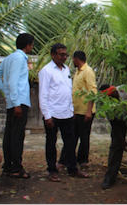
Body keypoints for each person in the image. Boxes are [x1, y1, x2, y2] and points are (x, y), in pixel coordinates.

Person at [38, 43, 90, 182]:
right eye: (61, 55)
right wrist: (47, 115)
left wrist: (71, 109)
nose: (64, 57)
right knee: (51, 143)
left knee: (70, 142)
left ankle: (72, 168)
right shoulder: (46, 71)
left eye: (66, 55)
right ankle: (52, 170)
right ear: (53, 55)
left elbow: (68, 90)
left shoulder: (66, 69)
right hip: (53, 113)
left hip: (66, 113)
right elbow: (43, 95)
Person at [0, 33, 34, 178]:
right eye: (32, 44)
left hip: (13, 100)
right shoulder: (19, 58)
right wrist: (16, 103)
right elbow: (13, 81)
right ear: (27, 45)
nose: (32, 47)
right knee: (16, 135)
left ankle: (8, 166)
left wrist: (6, 92)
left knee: (9, 134)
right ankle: (16, 167)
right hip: (19, 101)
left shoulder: (9, 58)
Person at [57, 51, 97, 169]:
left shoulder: (88, 71)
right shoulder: (77, 72)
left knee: (84, 137)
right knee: (71, 137)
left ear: (76, 59)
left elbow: (92, 92)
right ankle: (64, 160)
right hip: (76, 111)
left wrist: (89, 110)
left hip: (85, 111)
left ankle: (83, 159)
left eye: (72, 59)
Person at [100, 85, 127, 189]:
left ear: (115, 91)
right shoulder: (107, 103)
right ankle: (110, 177)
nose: (111, 98)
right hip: (119, 120)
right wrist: (122, 140)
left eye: (112, 95)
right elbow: (113, 122)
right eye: (108, 97)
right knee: (116, 146)